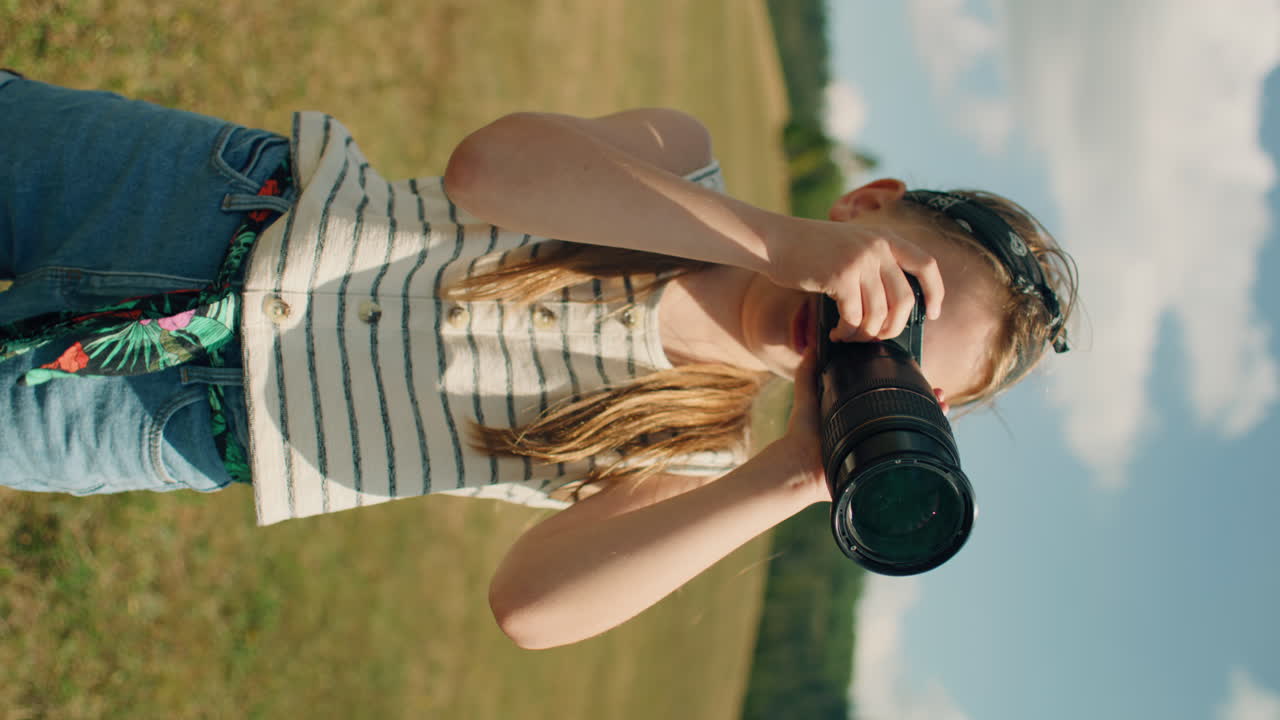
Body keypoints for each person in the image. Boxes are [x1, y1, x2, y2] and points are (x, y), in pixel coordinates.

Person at [0, 72, 1077, 648]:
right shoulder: (681, 166)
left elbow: (534, 610)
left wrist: (793, 472)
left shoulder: (691, 462)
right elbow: (491, 168)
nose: (870, 334)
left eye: (912, 367)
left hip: (171, 414)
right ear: (868, 210)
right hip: (194, 200)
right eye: (905, 294)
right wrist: (783, 247)